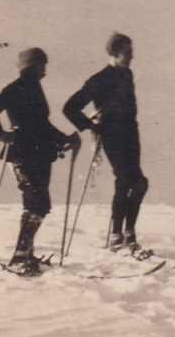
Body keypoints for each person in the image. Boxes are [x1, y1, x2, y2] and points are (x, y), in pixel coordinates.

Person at [0, 47, 81, 275]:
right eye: (43, 64)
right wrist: (1, 135)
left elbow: (40, 125)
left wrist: (63, 139)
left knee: (37, 204)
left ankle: (26, 254)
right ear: (34, 65)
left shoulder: (32, 87)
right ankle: (19, 256)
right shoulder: (18, 87)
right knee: (37, 203)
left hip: (36, 154)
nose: (45, 69)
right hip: (23, 155)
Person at [64, 32, 150, 254]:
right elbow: (70, 107)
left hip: (131, 135)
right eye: (127, 53)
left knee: (138, 183)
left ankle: (127, 235)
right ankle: (117, 237)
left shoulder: (127, 75)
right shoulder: (99, 79)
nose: (132, 57)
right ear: (114, 53)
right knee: (126, 180)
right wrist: (91, 127)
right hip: (112, 136)